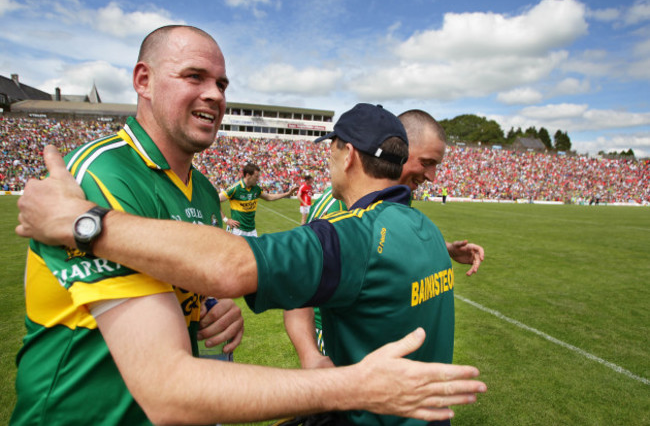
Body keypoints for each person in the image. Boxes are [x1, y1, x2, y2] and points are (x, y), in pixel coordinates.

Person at [16, 105, 488, 425]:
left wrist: (84, 222)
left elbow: (232, 265)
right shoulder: (423, 231)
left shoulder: (352, 234)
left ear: (344, 154)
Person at [9, 25, 247, 425]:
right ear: (143, 80)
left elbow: (173, 284)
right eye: (195, 76)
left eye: (221, 83)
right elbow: (168, 386)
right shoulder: (101, 173)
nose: (215, 94)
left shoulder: (204, 191)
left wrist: (212, 305)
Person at [284, 109, 485, 368]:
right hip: (340, 336)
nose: (432, 176)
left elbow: (382, 245)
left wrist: (443, 248)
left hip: (383, 333)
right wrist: (311, 355)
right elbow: (299, 283)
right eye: (426, 162)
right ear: (400, 148)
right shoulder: (334, 204)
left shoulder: (398, 200)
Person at [220, 162, 297, 237]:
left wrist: (287, 194)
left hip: (252, 231)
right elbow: (215, 200)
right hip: (237, 230)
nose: (258, 179)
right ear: (247, 175)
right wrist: (226, 220)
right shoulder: (235, 188)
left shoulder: (256, 189)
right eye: (256, 176)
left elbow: (269, 197)